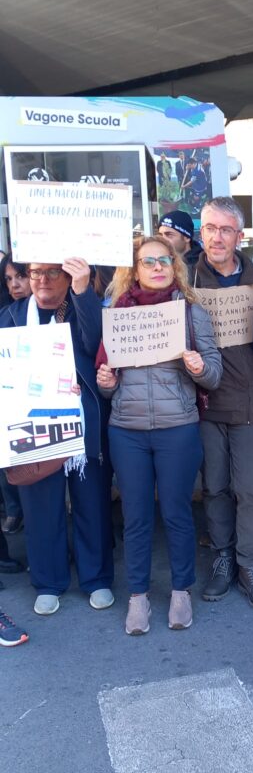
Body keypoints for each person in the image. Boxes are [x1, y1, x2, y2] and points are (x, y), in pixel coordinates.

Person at [96, 236, 222, 635]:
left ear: (174, 266)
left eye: (164, 260)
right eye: (147, 261)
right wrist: (105, 382)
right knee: (135, 517)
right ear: (134, 268)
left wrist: (199, 367)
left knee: (177, 513)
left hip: (177, 429)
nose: (156, 266)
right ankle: (138, 596)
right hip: (127, 431)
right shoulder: (117, 313)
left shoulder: (191, 314)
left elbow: (215, 375)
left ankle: (181, 591)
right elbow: (108, 385)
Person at [0, 258, 115, 615]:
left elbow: (98, 342)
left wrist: (83, 292)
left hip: (83, 425)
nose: (42, 280)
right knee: (40, 508)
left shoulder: (83, 308)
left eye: (52, 272)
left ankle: (96, 578)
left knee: (91, 504)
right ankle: (48, 582)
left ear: (68, 277)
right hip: (32, 429)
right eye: (35, 273)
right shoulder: (11, 316)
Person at [192, 197, 253, 611]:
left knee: (250, 491)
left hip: (249, 400)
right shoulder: (185, 279)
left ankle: (250, 565)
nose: (217, 237)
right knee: (215, 487)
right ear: (200, 232)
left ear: (239, 236)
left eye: (226, 229)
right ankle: (223, 558)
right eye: (210, 228)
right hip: (206, 401)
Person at [0, 254, 30, 534]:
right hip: (15, 406)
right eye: (9, 279)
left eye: (20, 276)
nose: (14, 285)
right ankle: (15, 511)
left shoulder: (64, 310)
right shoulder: (6, 316)